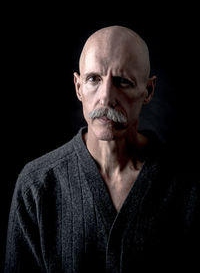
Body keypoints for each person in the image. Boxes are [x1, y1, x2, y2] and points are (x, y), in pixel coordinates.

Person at [4, 25, 199, 273]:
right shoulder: (36, 185)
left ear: (148, 91)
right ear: (78, 87)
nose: (106, 97)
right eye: (94, 79)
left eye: (123, 82)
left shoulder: (187, 185)